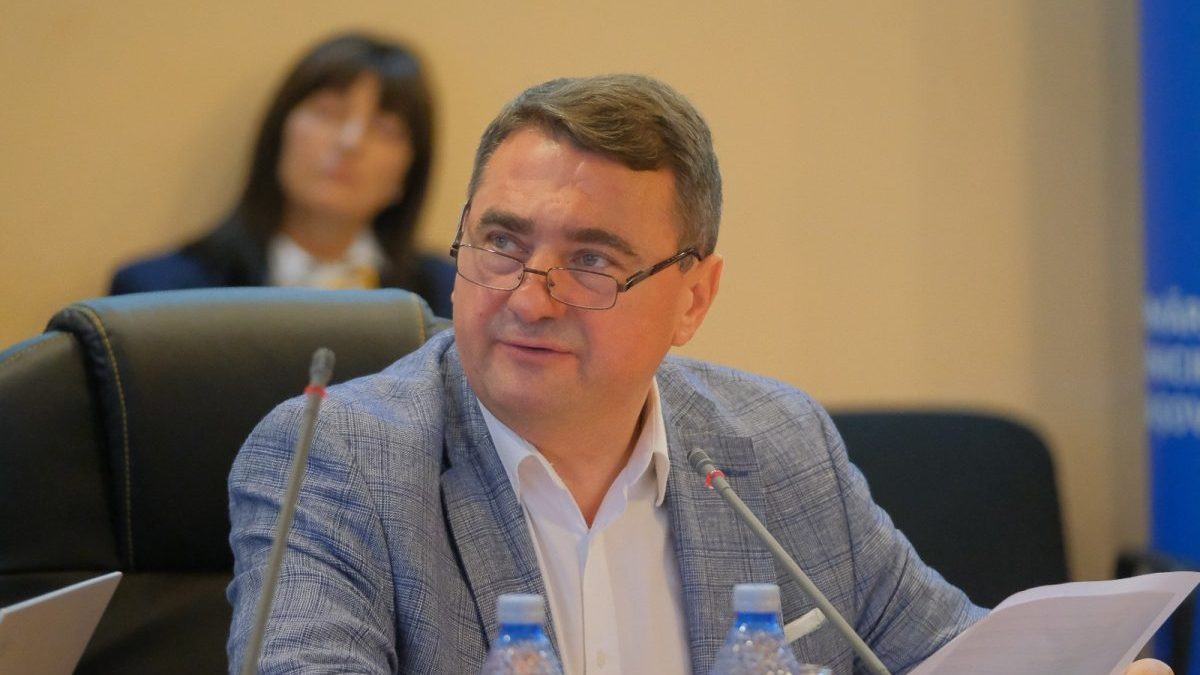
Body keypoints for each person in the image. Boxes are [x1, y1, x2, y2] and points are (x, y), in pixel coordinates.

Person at [226, 74, 1173, 674]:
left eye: (592, 261)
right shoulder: (337, 458)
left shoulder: (777, 442)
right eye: (502, 242)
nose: (529, 296)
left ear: (693, 299)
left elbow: (943, 650)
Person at [110, 32, 454, 317]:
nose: (350, 142)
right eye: (329, 112)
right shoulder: (155, 295)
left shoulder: (447, 301)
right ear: (278, 133)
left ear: (409, 171)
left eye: (384, 128)